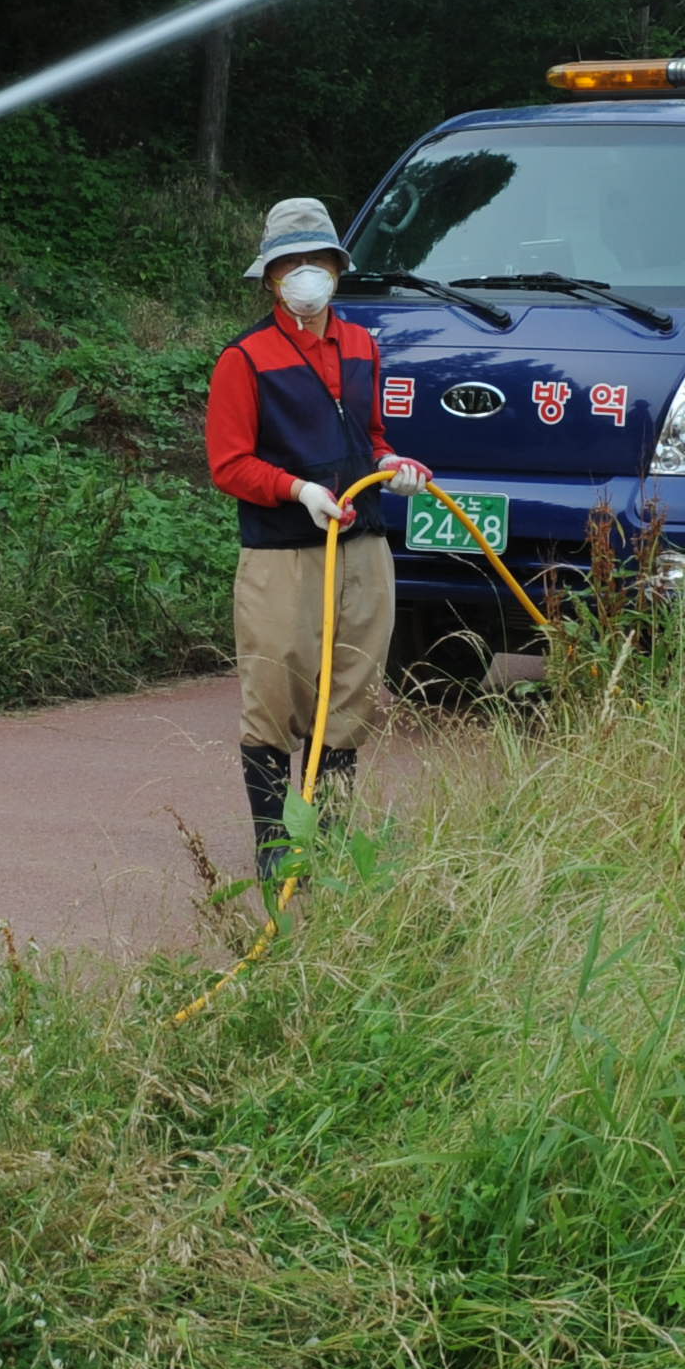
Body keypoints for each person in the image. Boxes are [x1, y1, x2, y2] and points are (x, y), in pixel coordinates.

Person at [202, 196, 424, 877]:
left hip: (362, 546)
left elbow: (372, 437)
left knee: (351, 693)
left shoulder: (361, 345)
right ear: (270, 278)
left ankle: (324, 839)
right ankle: (275, 849)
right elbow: (228, 463)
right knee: (277, 694)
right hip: (282, 553)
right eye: (290, 264)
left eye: (317, 261)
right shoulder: (244, 358)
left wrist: (391, 465)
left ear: (336, 267)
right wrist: (298, 490)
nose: (305, 274)